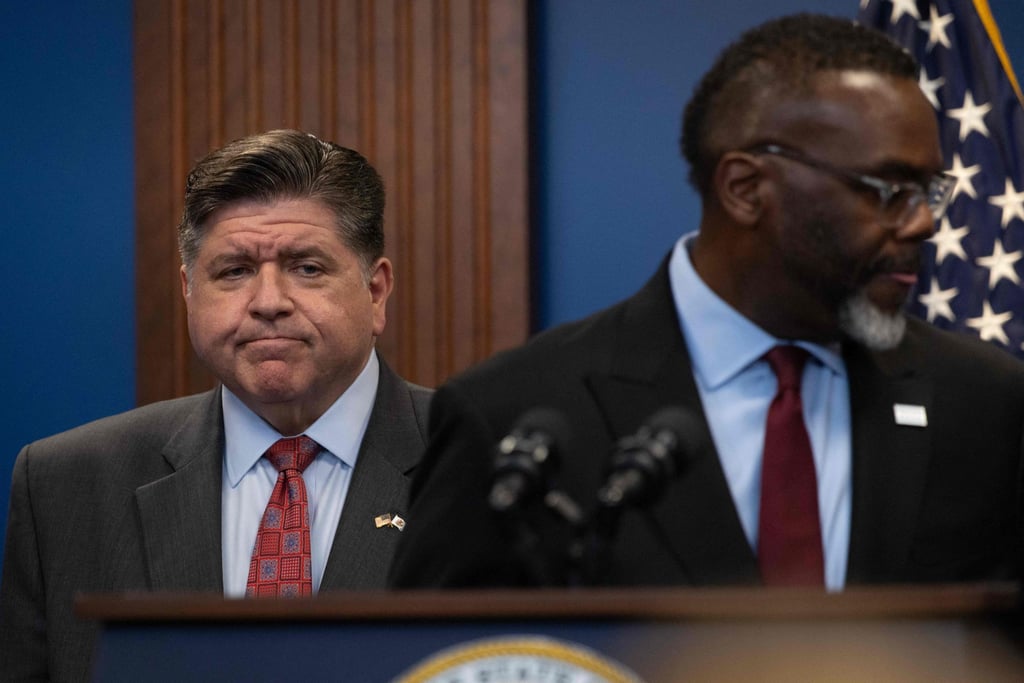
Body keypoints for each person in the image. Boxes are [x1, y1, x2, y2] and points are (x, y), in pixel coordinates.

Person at [388, 14, 1024, 592]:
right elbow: (439, 661)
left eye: (928, 191)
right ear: (746, 188)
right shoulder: (512, 414)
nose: (922, 224)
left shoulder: (986, 404)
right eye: (889, 190)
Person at [0, 129, 432, 681]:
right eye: (235, 271)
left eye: (307, 268)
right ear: (188, 290)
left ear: (376, 292)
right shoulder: (65, 484)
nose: (269, 302)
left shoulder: (480, 466)